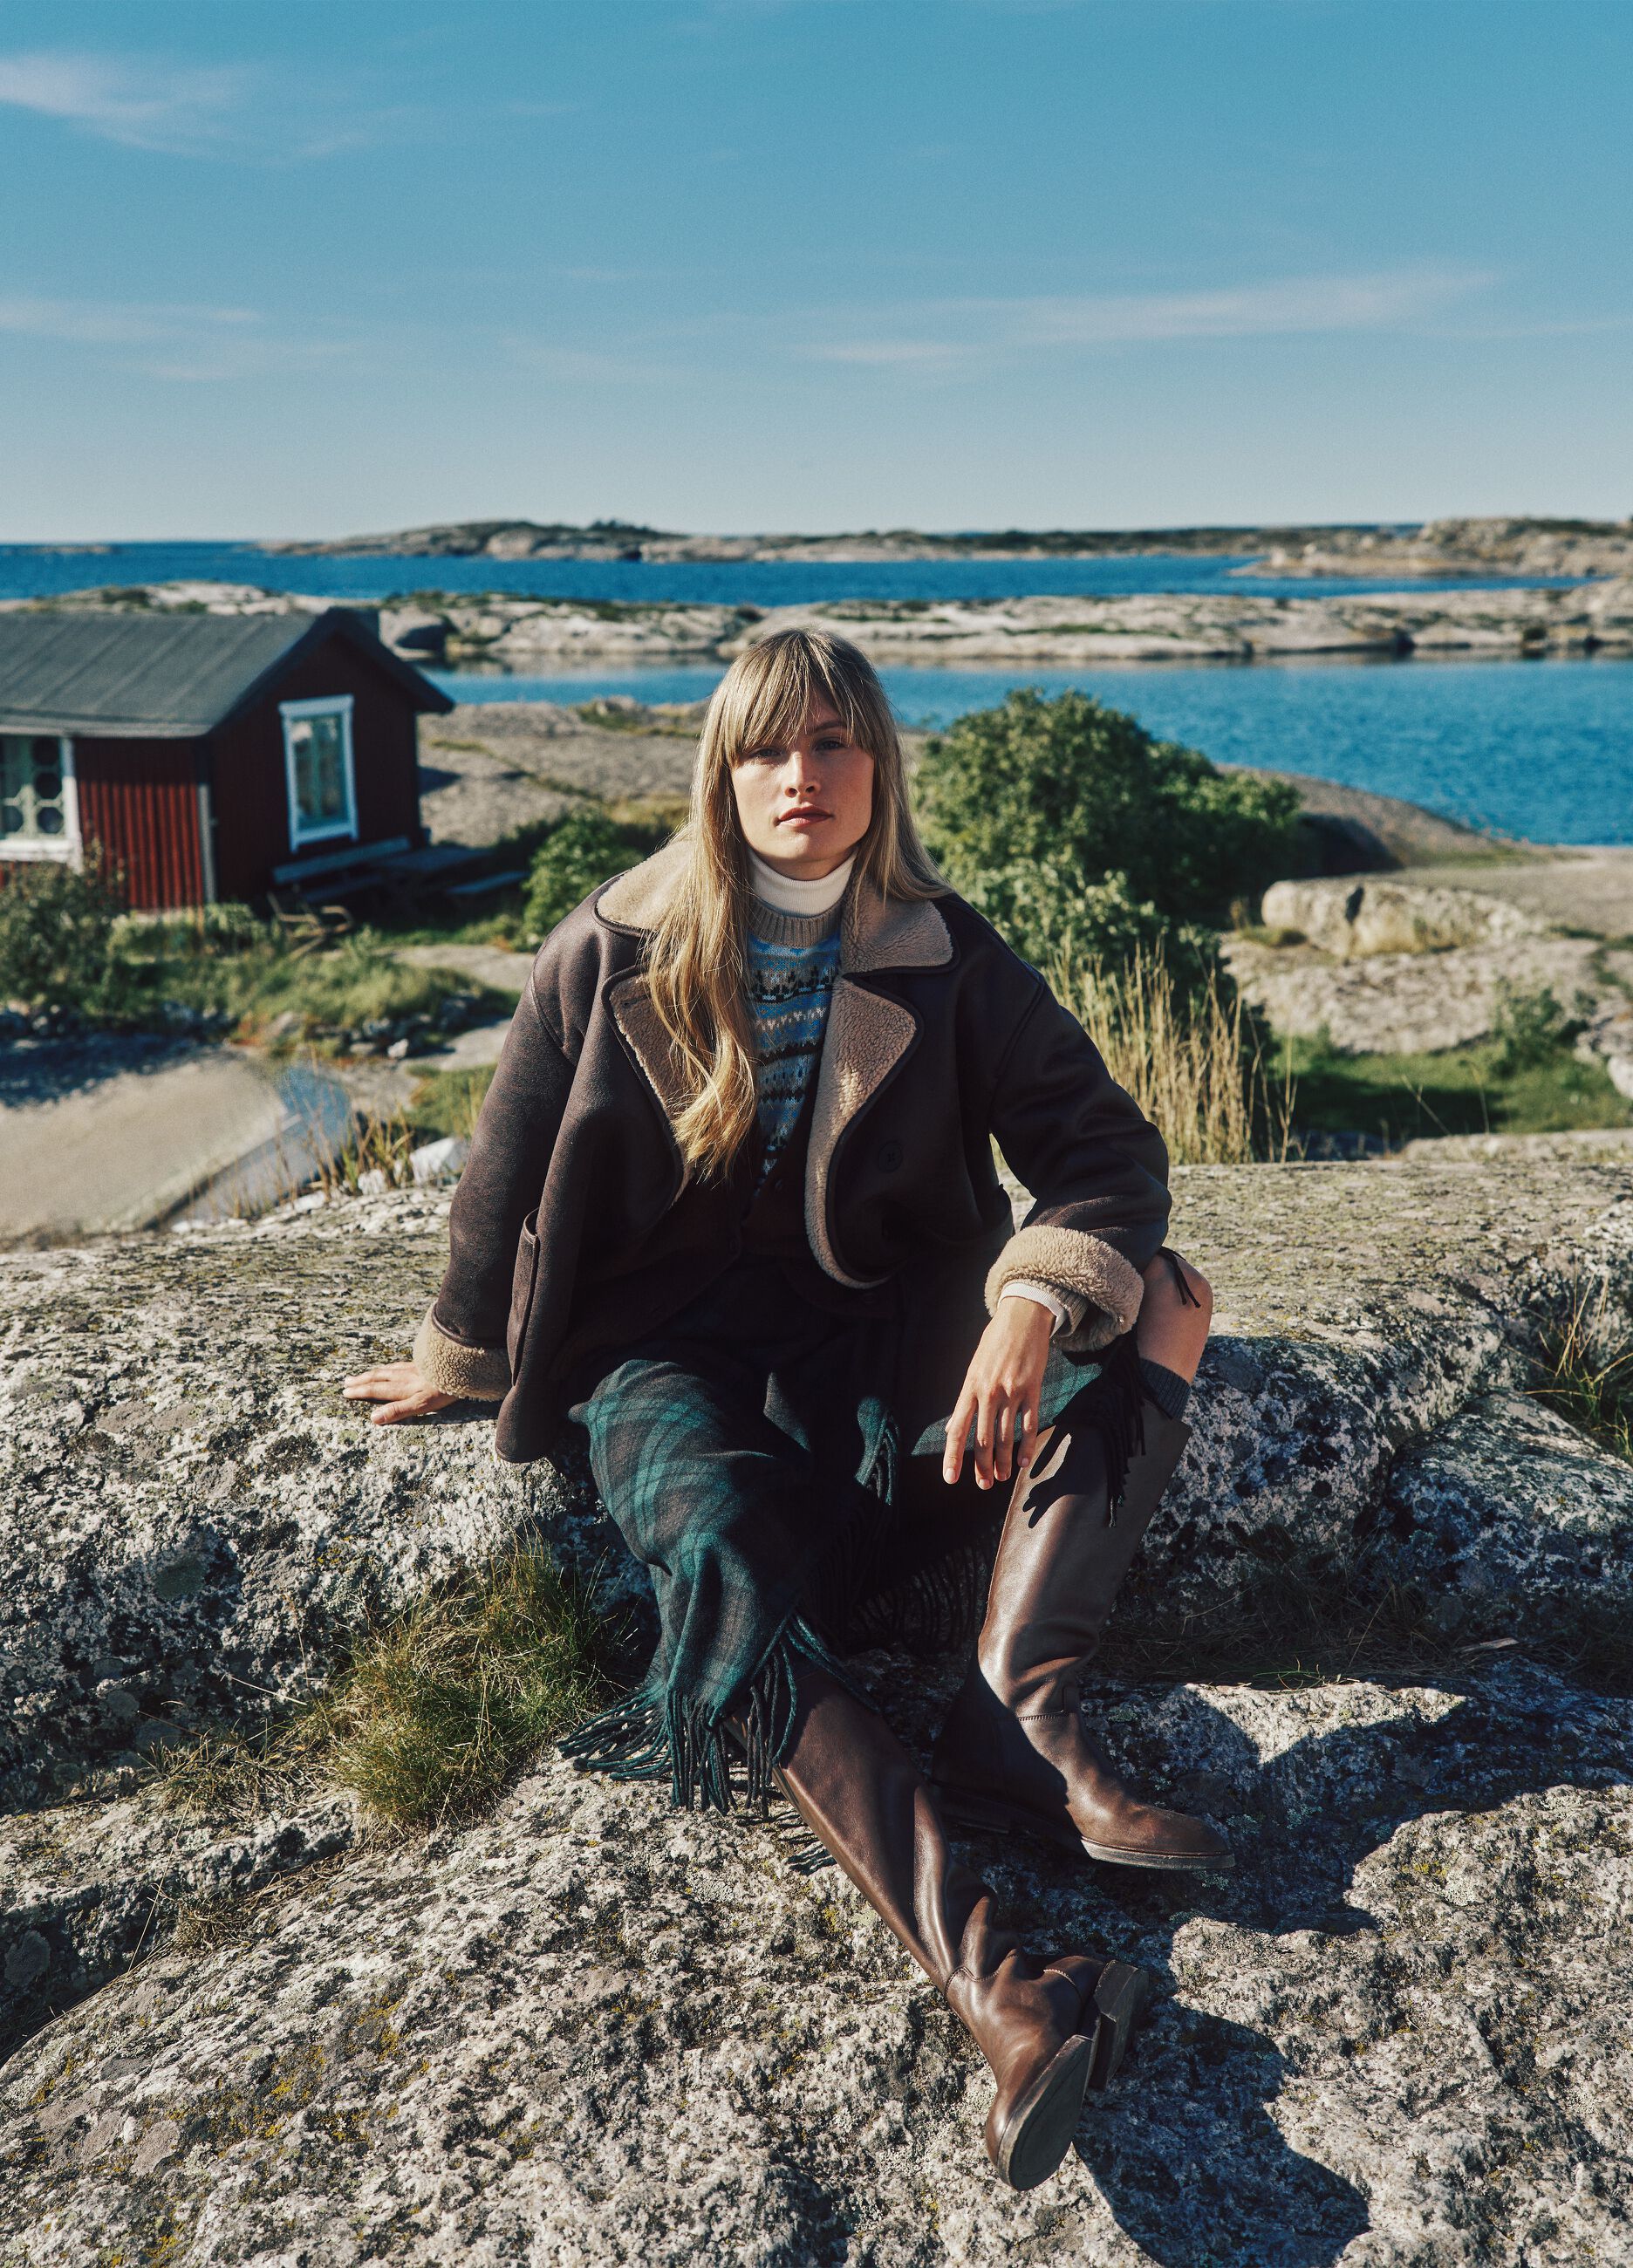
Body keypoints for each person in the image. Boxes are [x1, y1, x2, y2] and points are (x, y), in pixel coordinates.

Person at [344, 629, 1226, 2192]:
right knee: (725, 1554)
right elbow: (498, 1173)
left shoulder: (946, 950)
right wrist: (461, 1356)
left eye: (832, 746)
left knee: (1161, 1297)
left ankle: (1016, 1699)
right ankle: (1013, 1996)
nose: (799, 779)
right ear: (723, 770)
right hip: (663, 1354)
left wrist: (1027, 1299)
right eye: (767, 749)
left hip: (877, 1336)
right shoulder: (610, 945)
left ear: (877, 766)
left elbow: (1109, 1151)